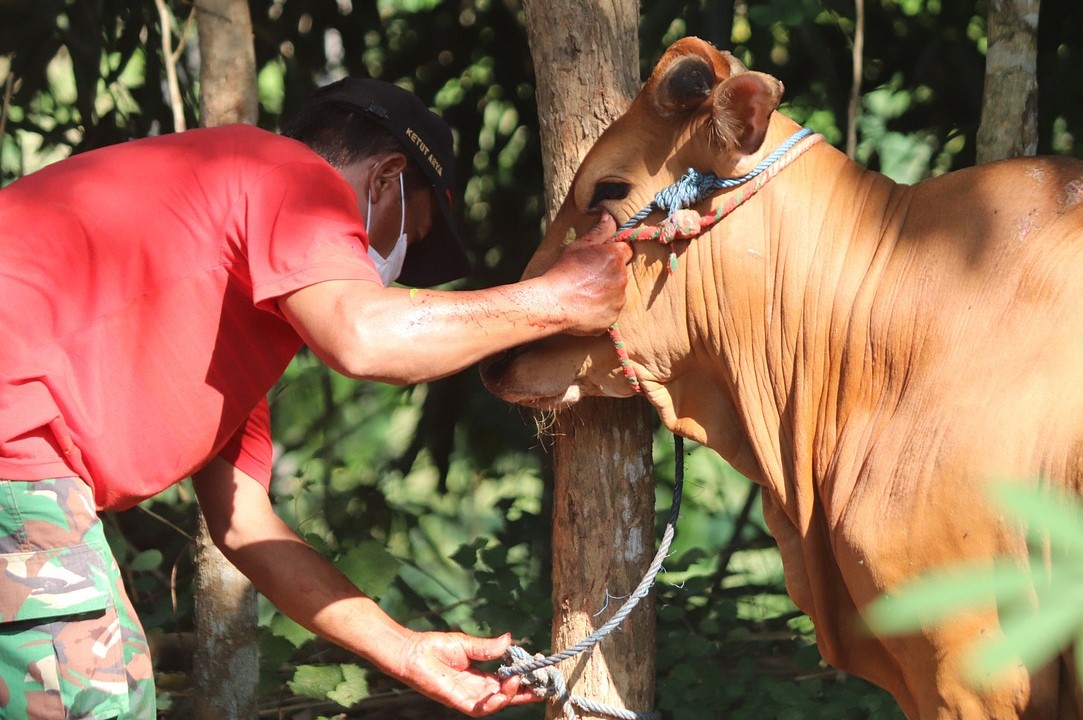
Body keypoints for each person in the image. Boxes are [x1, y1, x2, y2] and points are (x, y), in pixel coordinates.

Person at [0, 77, 631, 718]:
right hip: (16, 447)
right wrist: (558, 299)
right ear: (385, 178)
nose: (393, 266)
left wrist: (405, 650)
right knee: (99, 698)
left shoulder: (229, 312)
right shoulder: (289, 177)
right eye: (410, 238)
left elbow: (244, 526)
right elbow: (362, 339)